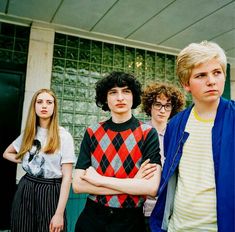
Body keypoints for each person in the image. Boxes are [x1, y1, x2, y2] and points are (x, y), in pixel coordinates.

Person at [150, 41, 235, 232]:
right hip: (177, 227)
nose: (211, 81)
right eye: (201, 75)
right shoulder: (175, 125)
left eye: (217, 72)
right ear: (186, 84)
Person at [72, 71, 162, 232]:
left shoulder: (148, 133)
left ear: (133, 96)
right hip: (92, 219)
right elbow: (78, 185)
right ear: (105, 98)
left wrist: (99, 180)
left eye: (126, 91)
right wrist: (134, 182)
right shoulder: (92, 132)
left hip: (130, 222)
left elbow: (151, 188)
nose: (120, 97)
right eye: (113, 92)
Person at [3, 88, 76, 232]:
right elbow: (7, 153)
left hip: (50, 191)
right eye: (40, 102)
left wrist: (59, 214)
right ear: (34, 106)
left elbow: (67, 177)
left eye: (49, 102)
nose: (44, 106)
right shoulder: (29, 133)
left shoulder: (64, 136)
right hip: (26, 187)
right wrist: (27, 160)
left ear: (54, 107)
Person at [141, 82, 185, 231]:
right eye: (157, 104)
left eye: (167, 105)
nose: (162, 110)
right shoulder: (140, 133)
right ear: (149, 106)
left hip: (170, 208)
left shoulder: (177, 136)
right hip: (143, 208)